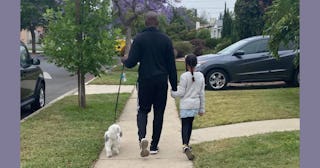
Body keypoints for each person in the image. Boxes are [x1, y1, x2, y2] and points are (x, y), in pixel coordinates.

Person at [121, 11, 177, 157]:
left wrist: (124, 60)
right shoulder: (166, 40)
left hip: (145, 81)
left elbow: (131, 62)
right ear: (157, 23)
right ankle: (153, 146)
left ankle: (142, 138)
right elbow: (172, 65)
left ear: (145, 23)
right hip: (161, 81)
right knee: (159, 113)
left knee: (142, 111)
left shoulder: (139, 39)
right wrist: (174, 86)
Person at [171, 54, 205, 160]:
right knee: (190, 124)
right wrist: (202, 108)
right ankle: (187, 144)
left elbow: (180, 93)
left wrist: (172, 92)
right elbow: (202, 93)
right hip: (195, 104)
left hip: (185, 105)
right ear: (196, 63)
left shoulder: (184, 76)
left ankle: (185, 144)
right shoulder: (200, 76)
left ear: (186, 64)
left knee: (184, 125)